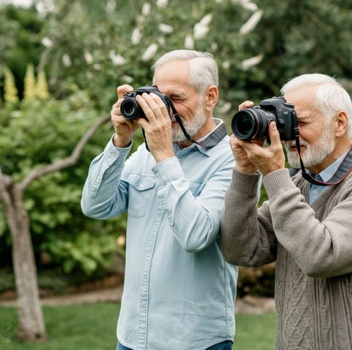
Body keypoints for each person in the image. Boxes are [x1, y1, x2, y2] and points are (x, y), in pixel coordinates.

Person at [220, 73, 352, 349]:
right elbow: (240, 249)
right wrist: (245, 171)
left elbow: (321, 256)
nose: (287, 135)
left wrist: (275, 174)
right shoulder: (298, 184)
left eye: (299, 123)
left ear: (340, 123)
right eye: (283, 124)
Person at [81, 49, 237, 350]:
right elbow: (95, 206)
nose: (164, 111)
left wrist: (164, 154)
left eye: (175, 99)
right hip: (131, 337)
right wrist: (121, 140)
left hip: (194, 341)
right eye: (158, 98)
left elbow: (196, 235)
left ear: (210, 96)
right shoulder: (144, 152)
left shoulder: (231, 159)